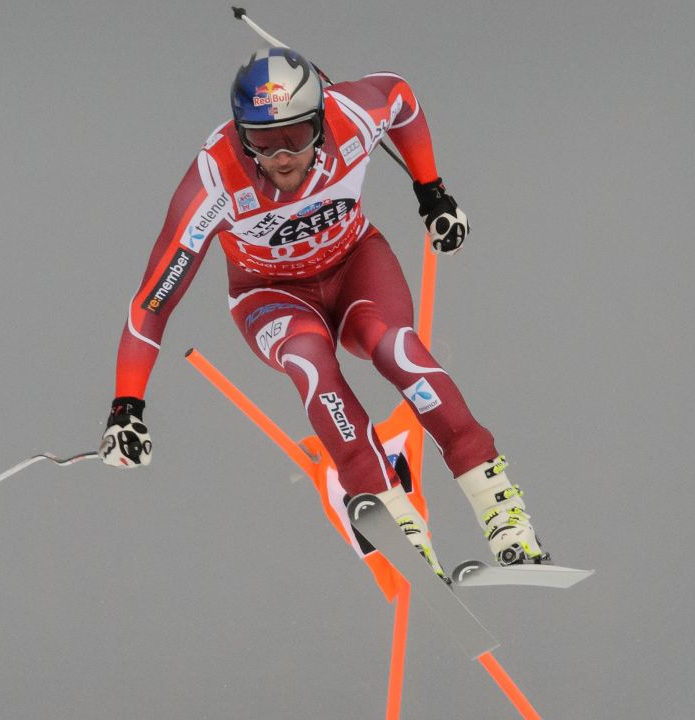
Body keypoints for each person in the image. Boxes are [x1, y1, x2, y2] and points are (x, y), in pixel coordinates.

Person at [98, 47, 548, 577]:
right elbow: (153, 301)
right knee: (312, 359)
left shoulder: (350, 115)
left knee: (395, 348)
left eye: (293, 137)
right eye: (262, 142)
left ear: (318, 119)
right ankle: (394, 515)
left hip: (355, 263)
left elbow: (399, 95)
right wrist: (127, 407)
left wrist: (432, 193)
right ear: (242, 134)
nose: (281, 156)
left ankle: (502, 512)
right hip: (270, 294)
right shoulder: (215, 180)